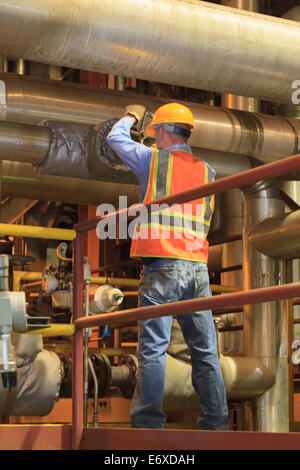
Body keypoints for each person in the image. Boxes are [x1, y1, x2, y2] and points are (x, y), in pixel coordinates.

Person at [107, 103, 228, 430]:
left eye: (154, 132)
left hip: (164, 266)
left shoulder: (153, 161)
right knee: (205, 352)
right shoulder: (207, 170)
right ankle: (216, 425)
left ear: (160, 131)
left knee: (153, 348)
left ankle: (148, 427)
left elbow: (114, 138)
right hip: (198, 269)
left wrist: (130, 114)